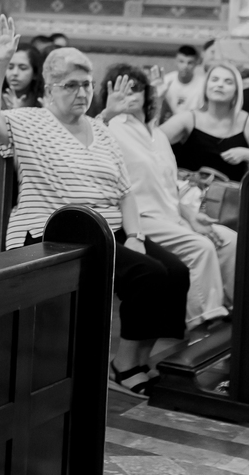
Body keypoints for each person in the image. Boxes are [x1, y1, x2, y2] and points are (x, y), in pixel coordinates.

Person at [0, 16, 189, 395]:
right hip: (57, 231)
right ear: (49, 88)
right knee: (147, 275)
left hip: (110, 229)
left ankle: (139, 357)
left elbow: (126, 192)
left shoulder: (103, 132)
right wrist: (0, 63)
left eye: (87, 85)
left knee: (175, 271)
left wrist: (137, 236)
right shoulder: (28, 122)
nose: (81, 93)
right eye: (71, 85)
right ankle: (123, 365)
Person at [99, 63, 235, 329]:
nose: (130, 94)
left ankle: (232, 309)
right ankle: (202, 323)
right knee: (201, 248)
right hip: (141, 218)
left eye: (136, 87)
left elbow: (168, 185)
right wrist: (108, 113)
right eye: (122, 88)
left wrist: (192, 216)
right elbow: (93, 132)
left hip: (172, 215)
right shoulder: (110, 128)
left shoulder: (157, 133)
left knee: (230, 241)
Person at [161, 61, 249, 180]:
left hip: (231, 199)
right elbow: (151, 142)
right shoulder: (189, 118)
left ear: (236, 91)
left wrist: (248, 155)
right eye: (214, 80)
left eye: (228, 82)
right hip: (189, 199)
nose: (220, 85)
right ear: (206, 87)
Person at [159, 45, 205, 122]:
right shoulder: (166, 81)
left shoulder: (203, 84)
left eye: (190, 63)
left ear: (196, 63)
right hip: (170, 123)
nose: (185, 66)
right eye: (181, 61)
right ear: (176, 61)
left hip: (194, 123)